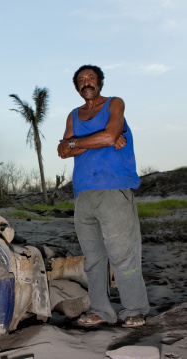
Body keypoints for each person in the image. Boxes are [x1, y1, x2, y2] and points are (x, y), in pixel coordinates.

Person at [57, 64, 149, 327]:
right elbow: (62, 150)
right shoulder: (73, 115)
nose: (87, 82)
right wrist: (96, 140)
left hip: (114, 188)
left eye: (91, 78)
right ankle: (100, 310)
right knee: (93, 257)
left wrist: (79, 142)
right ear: (77, 87)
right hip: (83, 194)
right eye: (81, 80)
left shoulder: (114, 104)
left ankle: (134, 309)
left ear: (100, 82)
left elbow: (109, 135)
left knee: (123, 254)